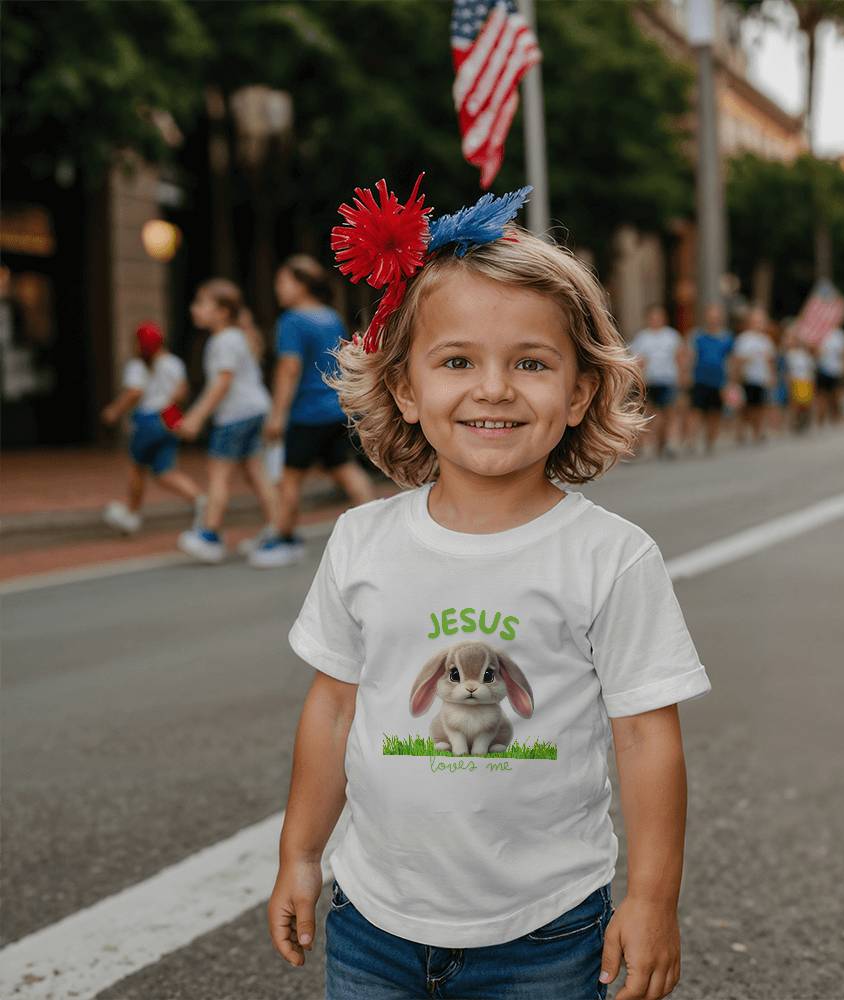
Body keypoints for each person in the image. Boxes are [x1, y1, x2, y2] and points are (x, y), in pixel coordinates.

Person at [266, 180, 711, 1000]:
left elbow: (648, 740)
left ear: (580, 392)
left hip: (543, 930)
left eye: (532, 363)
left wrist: (651, 900)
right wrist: (300, 854)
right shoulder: (362, 540)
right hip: (372, 920)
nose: (495, 388)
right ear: (405, 386)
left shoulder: (610, 556)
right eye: (458, 361)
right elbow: (333, 707)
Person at [249, 255, 378, 568]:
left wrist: (278, 415)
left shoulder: (292, 321)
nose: (278, 289)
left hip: (305, 414)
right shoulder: (330, 317)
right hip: (335, 408)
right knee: (346, 471)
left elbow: (289, 369)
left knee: (289, 479)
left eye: (283, 282)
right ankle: (378, 531)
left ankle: (283, 538)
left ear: (301, 285)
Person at [175, 279, 277, 562]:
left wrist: (195, 417)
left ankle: (209, 535)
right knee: (255, 472)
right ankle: (277, 528)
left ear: (221, 311)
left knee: (218, 474)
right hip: (254, 410)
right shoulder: (234, 337)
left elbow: (222, 383)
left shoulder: (224, 340)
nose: (194, 309)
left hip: (235, 415)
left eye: (200, 303)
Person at [100, 321, 204, 535]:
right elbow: (181, 392)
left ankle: (132, 513)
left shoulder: (138, 365)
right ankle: (201, 500)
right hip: (170, 417)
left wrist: (114, 411)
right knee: (165, 471)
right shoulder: (174, 362)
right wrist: (171, 415)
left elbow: (134, 393)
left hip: (148, 419)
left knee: (137, 467)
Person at [629, 304, 686, 458]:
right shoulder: (642, 337)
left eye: (658, 316)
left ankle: (668, 442)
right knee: (648, 414)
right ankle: (644, 444)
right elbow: (637, 361)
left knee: (669, 413)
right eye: (653, 316)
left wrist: (682, 377)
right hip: (650, 381)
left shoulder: (672, 336)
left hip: (668, 379)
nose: (655, 319)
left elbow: (680, 357)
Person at [684, 302, 734, 455]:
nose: (713, 320)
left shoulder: (726, 338)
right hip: (700, 379)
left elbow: (730, 360)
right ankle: (691, 441)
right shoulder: (697, 336)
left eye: (716, 317)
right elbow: (690, 355)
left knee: (715, 413)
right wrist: (686, 373)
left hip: (718, 381)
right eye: (711, 317)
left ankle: (710, 441)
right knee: (695, 411)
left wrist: (731, 381)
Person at [731, 306, 775, 444]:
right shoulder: (743, 339)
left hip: (760, 379)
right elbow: (736, 360)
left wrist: (771, 376)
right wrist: (736, 377)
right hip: (747, 378)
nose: (759, 324)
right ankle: (741, 432)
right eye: (756, 321)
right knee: (745, 407)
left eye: (761, 321)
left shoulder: (766, 341)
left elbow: (770, 361)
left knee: (759, 406)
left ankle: (758, 432)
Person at [814, 325, 844, 426]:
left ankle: (835, 417)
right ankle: (820, 420)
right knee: (822, 396)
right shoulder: (818, 333)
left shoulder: (840, 335)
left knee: (836, 396)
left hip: (837, 371)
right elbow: (813, 351)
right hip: (822, 370)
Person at [785, 328, 817, 433]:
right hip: (795, 381)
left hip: (806, 381)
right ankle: (794, 423)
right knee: (795, 405)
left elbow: (810, 370)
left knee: (806, 404)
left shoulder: (806, 355)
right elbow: (788, 370)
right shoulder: (790, 354)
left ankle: (805, 422)